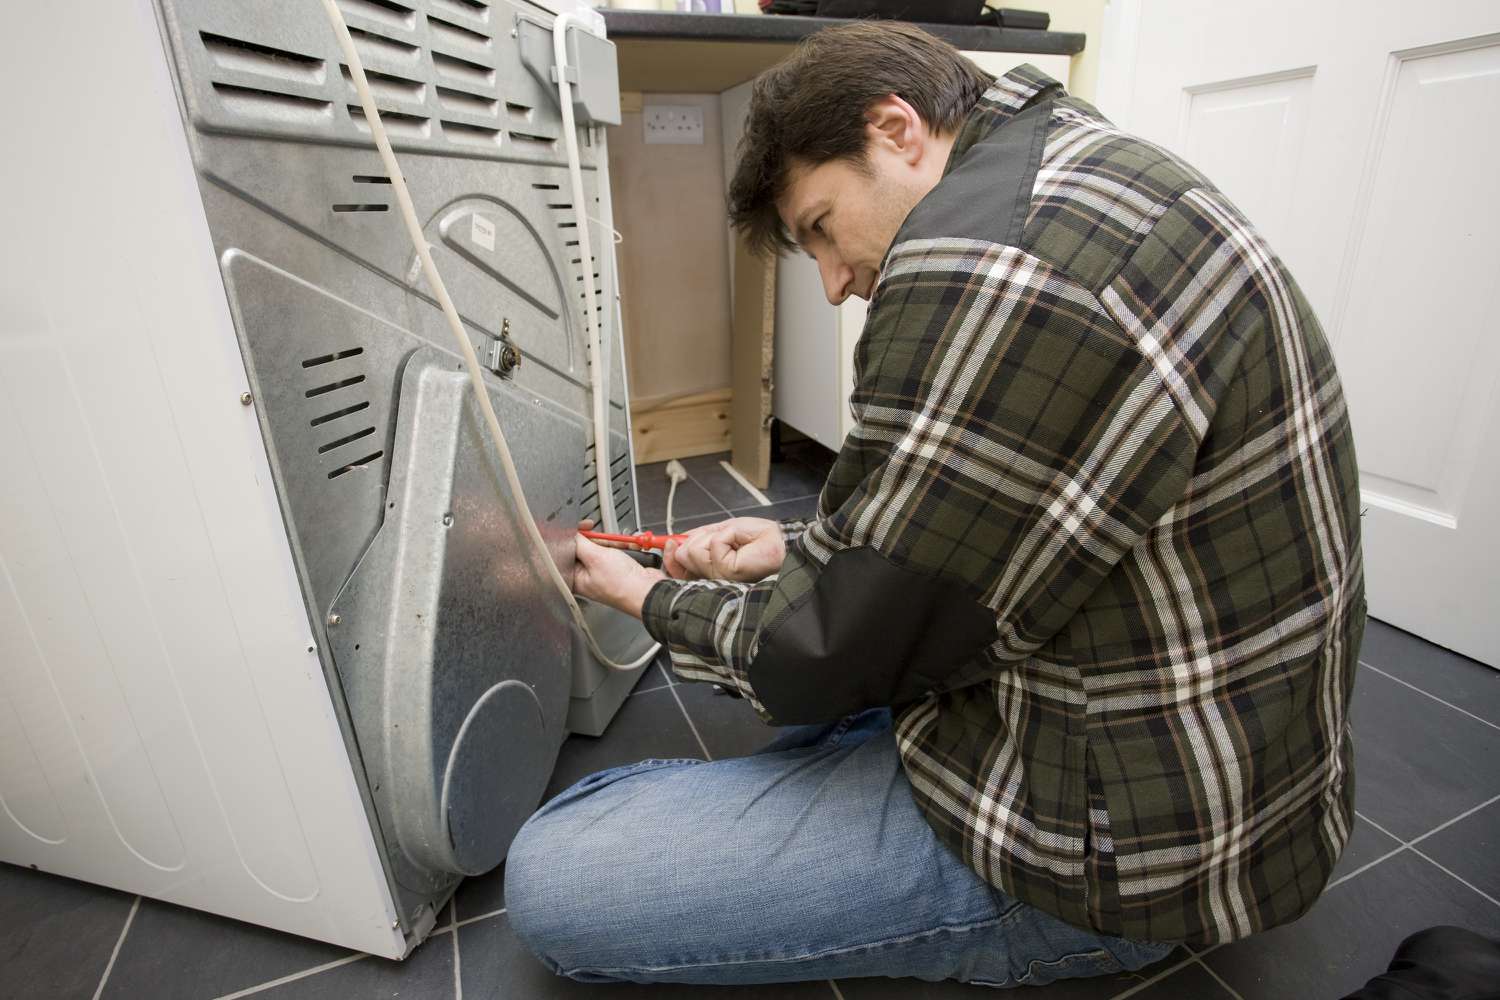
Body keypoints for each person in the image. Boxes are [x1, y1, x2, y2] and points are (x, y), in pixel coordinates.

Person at [504, 21, 1365, 989]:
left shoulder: (991, 264)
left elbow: (821, 656)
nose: (833, 286)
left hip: (1112, 860)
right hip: (1217, 778)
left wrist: (643, 596)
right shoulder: (1082, 167)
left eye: (823, 228)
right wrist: (796, 551)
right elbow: (1039, 504)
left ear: (897, 130)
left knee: (558, 872)